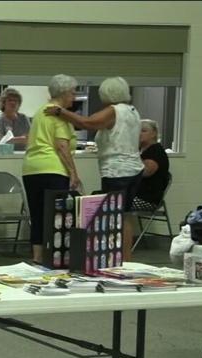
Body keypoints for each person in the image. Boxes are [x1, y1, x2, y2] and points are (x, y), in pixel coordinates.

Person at [46, 76, 144, 260]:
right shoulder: (133, 111)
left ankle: (110, 257)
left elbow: (87, 123)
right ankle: (126, 258)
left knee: (111, 216)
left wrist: (61, 112)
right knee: (125, 215)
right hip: (134, 168)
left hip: (117, 171)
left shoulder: (113, 111)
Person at [21, 74, 82, 263]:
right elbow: (62, 146)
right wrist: (73, 173)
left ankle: (38, 257)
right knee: (57, 217)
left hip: (31, 169)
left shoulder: (40, 111)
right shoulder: (58, 114)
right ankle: (57, 258)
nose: (74, 97)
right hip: (52, 169)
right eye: (72, 93)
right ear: (63, 93)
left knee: (38, 215)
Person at [133, 118, 171, 209]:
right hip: (135, 194)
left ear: (154, 133)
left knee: (113, 204)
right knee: (98, 197)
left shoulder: (156, 151)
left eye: (143, 131)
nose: (139, 134)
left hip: (147, 198)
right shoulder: (140, 151)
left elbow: (145, 172)